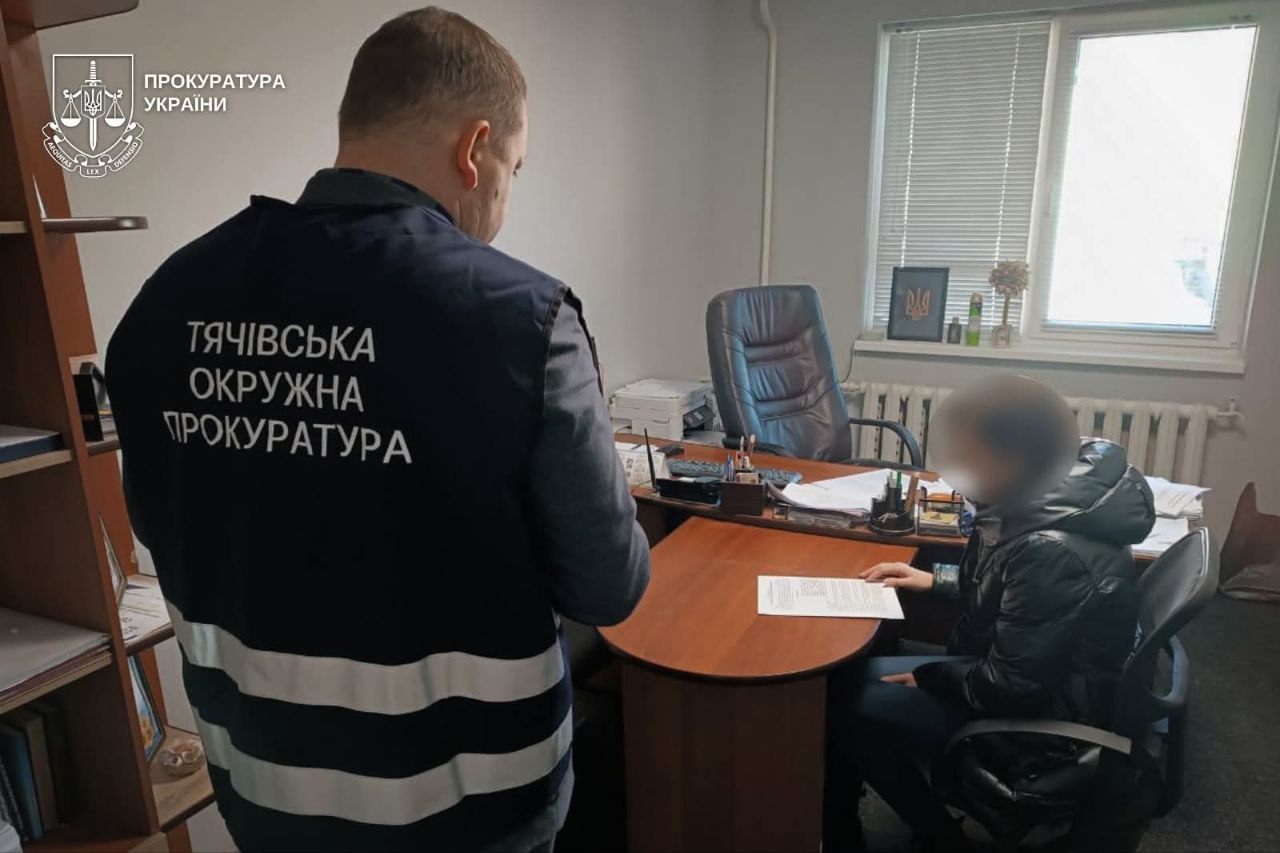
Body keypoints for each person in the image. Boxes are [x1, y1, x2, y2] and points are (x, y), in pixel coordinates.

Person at [106, 8, 649, 851]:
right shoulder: (525, 320)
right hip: (475, 811)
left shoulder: (162, 304)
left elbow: (161, 526)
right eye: (513, 168)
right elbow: (608, 587)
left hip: (265, 796)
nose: (504, 198)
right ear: (475, 149)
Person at [823, 376, 1156, 851]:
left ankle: (938, 838)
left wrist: (932, 678)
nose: (958, 471)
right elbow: (1013, 590)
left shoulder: (1048, 547)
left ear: (1013, 459)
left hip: (1043, 722)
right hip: (1037, 677)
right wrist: (934, 580)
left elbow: (1009, 686)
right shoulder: (1046, 500)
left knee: (842, 708)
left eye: (970, 458)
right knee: (846, 681)